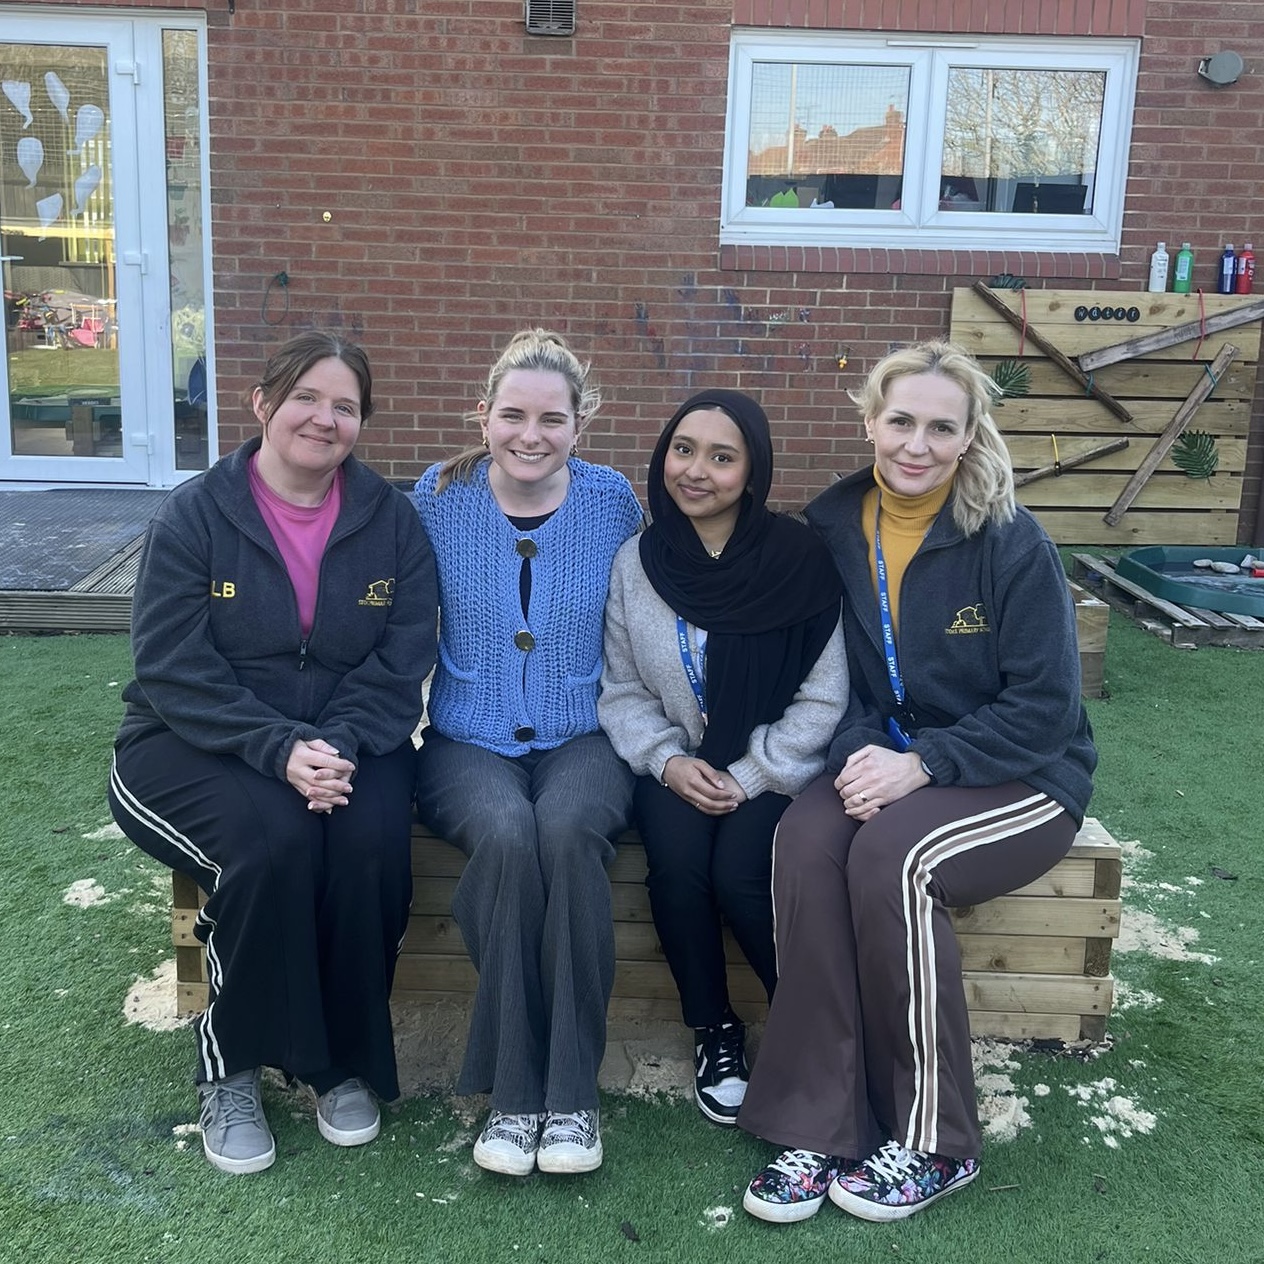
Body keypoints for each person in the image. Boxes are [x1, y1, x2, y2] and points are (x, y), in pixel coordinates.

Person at [738, 341, 1096, 1224]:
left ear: (970, 437)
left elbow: (1047, 708)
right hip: (897, 760)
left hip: (1023, 775)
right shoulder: (834, 529)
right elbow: (847, 682)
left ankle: (937, 1139)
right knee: (805, 840)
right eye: (901, 421)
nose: (917, 445)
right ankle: (820, 1121)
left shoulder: (1009, 541)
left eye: (942, 428)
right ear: (869, 421)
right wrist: (865, 755)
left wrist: (924, 765)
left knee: (897, 860)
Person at [107, 331, 438, 1174]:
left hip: (348, 740)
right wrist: (279, 746)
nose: (325, 420)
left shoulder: (392, 521)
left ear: (362, 423)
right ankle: (232, 1066)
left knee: (369, 848)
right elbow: (172, 667)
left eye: (345, 407)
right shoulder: (194, 514)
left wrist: (334, 745)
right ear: (262, 404)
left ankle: (339, 1064)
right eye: (306, 399)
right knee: (268, 846)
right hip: (192, 739)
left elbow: (402, 659)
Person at [411, 329, 643, 1176]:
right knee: (508, 834)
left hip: (587, 734)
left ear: (581, 423)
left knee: (568, 831)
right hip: (465, 740)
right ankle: (515, 1098)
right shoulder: (439, 497)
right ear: (483, 416)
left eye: (553, 418)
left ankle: (572, 1098)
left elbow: (649, 609)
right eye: (513, 415)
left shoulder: (613, 501)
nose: (531, 435)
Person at [598, 389, 846, 1125]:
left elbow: (825, 697)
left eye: (721, 457)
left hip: (775, 766)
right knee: (677, 867)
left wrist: (750, 774)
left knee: (742, 872)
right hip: (676, 763)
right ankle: (715, 1029)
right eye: (683, 449)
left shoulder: (801, 560)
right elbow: (621, 687)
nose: (696, 471)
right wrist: (667, 761)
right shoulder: (638, 562)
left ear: (753, 470)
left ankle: (812, 1030)